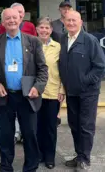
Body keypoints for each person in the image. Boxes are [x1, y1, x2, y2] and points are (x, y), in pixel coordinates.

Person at [0, 8, 48, 172]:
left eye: (14, 17)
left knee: (30, 134)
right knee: (6, 135)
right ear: (3, 22)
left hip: (27, 95)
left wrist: (38, 87)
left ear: (20, 19)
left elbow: (43, 69)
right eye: (7, 18)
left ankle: (30, 167)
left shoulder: (33, 41)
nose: (11, 21)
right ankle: (6, 167)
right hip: (5, 95)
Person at [59, 10, 105, 170]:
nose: (71, 23)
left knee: (86, 126)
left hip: (88, 93)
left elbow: (100, 67)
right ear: (64, 22)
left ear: (80, 22)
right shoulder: (63, 40)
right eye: (68, 20)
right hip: (71, 92)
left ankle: (85, 159)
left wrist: (84, 82)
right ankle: (79, 155)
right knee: (74, 125)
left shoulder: (89, 40)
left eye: (74, 20)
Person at [35, 17, 65, 170]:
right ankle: (39, 154)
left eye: (47, 28)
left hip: (53, 92)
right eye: (41, 27)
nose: (44, 30)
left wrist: (62, 89)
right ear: (37, 29)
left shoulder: (58, 47)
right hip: (36, 93)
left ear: (51, 30)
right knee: (38, 126)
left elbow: (63, 70)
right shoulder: (31, 45)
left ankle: (49, 157)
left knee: (50, 128)